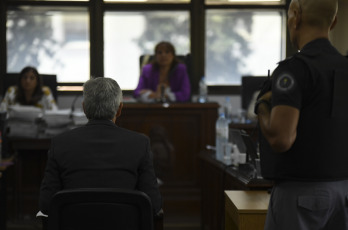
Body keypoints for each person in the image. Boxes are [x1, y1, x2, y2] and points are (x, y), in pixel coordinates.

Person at [254, 0, 348, 229]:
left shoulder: (294, 69)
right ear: (334, 22)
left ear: (295, 15)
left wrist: (262, 106)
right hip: (343, 192)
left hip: (302, 195)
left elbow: (281, 139)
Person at [39, 77, 162, 216]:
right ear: (120, 109)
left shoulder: (60, 143)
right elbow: (154, 204)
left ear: (84, 108)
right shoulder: (140, 144)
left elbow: (46, 204)